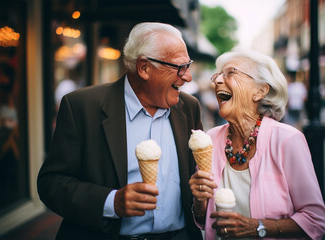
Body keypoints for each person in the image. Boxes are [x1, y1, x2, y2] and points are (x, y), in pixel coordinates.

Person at [37, 22, 203, 240]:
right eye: (179, 67)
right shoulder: (82, 107)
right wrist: (111, 202)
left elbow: (197, 181)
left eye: (188, 66)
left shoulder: (189, 107)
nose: (188, 76)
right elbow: (52, 184)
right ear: (144, 68)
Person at [189, 48, 325, 240]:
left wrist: (258, 227)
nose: (218, 80)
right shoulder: (210, 139)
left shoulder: (287, 140)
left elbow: (315, 220)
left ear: (260, 91)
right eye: (218, 75)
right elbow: (205, 220)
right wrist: (198, 200)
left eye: (230, 73)